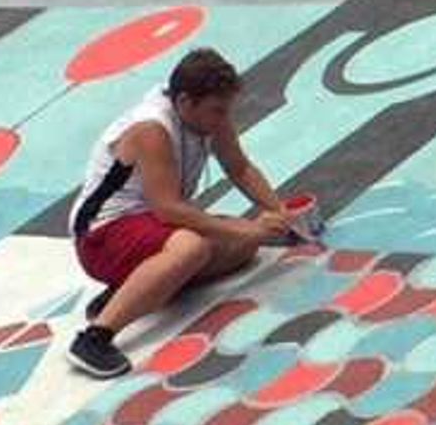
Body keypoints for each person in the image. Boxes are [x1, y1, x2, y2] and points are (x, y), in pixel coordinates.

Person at [65, 45, 303, 378]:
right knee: (194, 246)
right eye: (217, 111)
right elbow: (168, 209)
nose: (223, 119)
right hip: (101, 236)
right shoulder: (152, 129)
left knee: (242, 246)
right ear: (185, 102)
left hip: (146, 226)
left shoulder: (205, 114)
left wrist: (279, 213)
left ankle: (131, 289)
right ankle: (95, 338)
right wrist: (249, 228)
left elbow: (239, 166)